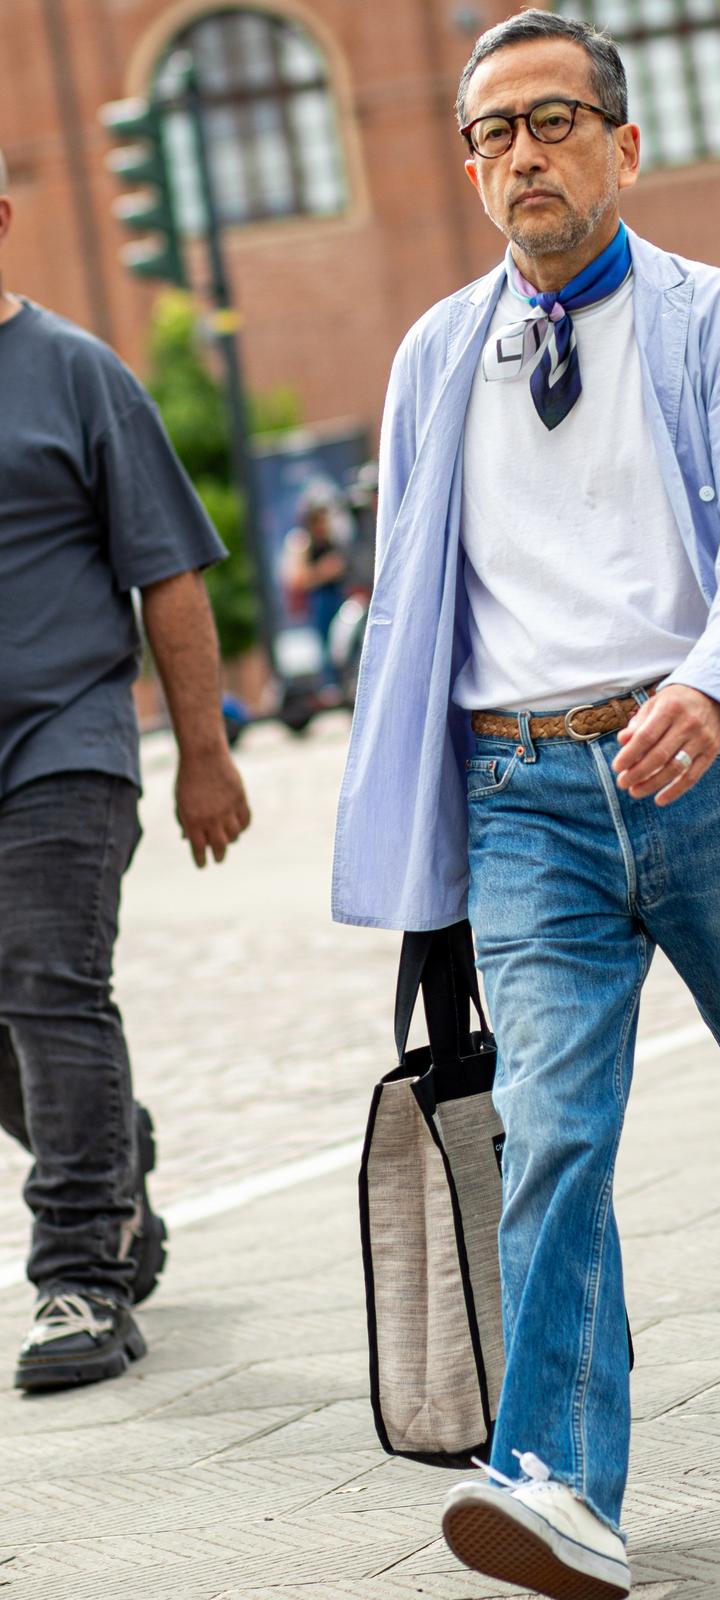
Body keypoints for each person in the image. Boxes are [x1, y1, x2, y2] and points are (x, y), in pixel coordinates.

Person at [332, 15, 720, 1598]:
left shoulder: (717, 322)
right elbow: (412, 592)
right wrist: (423, 821)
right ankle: (559, 1483)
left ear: (622, 143)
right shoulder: (433, 356)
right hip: (525, 786)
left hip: (715, 774)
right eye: (489, 135)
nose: (518, 156)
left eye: (549, 122)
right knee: (553, 1130)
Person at [0, 149, 251, 1391]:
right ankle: (111, 1154)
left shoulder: (76, 374)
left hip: (64, 743)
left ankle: (81, 1278)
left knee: (47, 980)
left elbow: (168, 570)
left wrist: (204, 754)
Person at [281, 493, 349, 686]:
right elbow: (297, 580)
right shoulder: (301, 541)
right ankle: (330, 684)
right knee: (325, 647)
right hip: (319, 600)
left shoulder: (330, 537)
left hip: (337, 596)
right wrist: (324, 571)